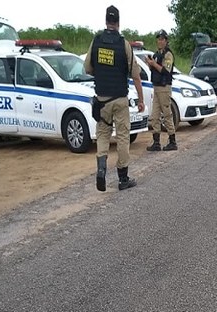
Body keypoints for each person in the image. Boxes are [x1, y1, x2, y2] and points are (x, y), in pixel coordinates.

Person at [84, 5, 145, 191]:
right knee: (123, 137)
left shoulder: (96, 41)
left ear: (106, 21)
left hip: (102, 99)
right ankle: (123, 178)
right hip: (120, 99)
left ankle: (101, 169)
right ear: (118, 22)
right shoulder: (123, 44)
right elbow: (135, 74)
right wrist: (141, 99)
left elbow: (87, 68)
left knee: (102, 135)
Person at [146, 29, 177, 152]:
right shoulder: (157, 54)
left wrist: (153, 64)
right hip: (157, 87)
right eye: (158, 39)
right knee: (155, 116)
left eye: (162, 39)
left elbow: (165, 70)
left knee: (167, 114)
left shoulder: (168, 54)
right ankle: (156, 142)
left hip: (164, 88)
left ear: (166, 41)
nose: (160, 41)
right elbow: (154, 69)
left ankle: (172, 141)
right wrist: (150, 64)